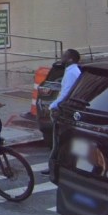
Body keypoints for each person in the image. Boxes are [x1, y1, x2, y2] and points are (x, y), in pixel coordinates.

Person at [45, 48, 82, 178]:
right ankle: (56, 166)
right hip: (67, 109)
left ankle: (53, 168)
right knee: (60, 140)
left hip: (63, 110)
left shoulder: (72, 73)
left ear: (70, 59)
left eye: (64, 56)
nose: (62, 57)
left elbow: (66, 93)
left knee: (58, 139)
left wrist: (53, 105)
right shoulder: (72, 71)